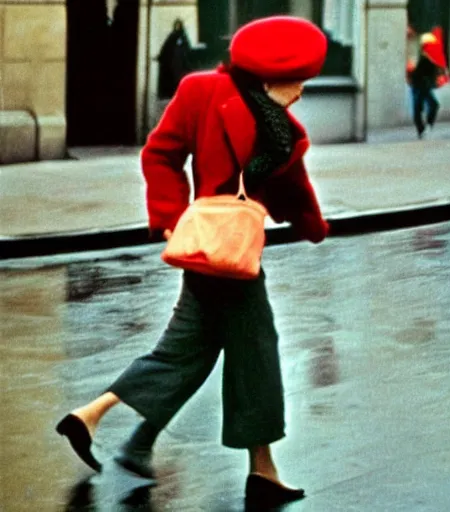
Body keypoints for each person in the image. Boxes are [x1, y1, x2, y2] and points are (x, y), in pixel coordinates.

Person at [56, 15, 330, 509]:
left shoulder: (282, 124)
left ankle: (107, 425)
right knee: (255, 354)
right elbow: (161, 153)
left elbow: (290, 185)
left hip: (233, 249)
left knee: (190, 351)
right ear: (272, 75)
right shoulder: (204, 91)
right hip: (215, 246)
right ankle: (261, 471)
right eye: (299, 82)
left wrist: (312, 224)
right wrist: (168, 215)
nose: (303, 92)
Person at [409, 32, 446, 138]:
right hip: (419, 85)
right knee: (419, 107)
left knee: (430, 105)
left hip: (424, 85)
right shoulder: (422, 57)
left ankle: (426, 127)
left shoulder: (430, 58)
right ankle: (422, 129)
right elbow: (417, 71)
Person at [157, 18, 191, 99]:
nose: (177, 27)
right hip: (172, 61)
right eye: (176, 25)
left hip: (180, 62)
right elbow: (166, 47)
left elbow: (187, 48)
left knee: (179, 77)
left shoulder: (183, 36)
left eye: (179, 25)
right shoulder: (172, 35)